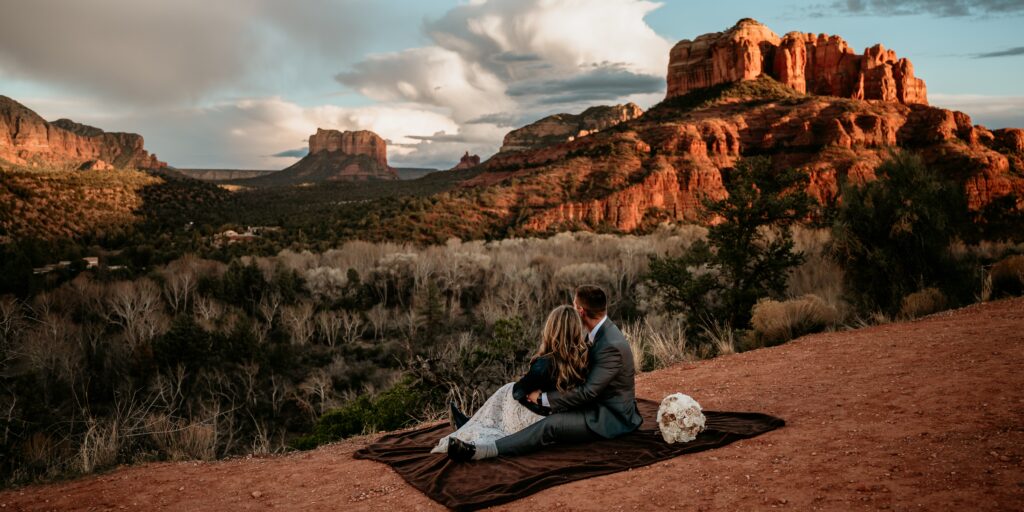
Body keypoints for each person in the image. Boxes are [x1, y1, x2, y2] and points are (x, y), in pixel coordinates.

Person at [446, 284, 643, 461]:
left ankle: (482, 451)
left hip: (608, 418)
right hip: (592, 404)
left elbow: (588, 392)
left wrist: (543, 399)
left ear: (581, 311)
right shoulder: (600, 333)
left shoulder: (610, 345)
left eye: (574, 305)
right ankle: (472, 424)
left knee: (551, 425)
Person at [431, 304, 589, 455]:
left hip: (535, 420)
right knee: (507, 390)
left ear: (551, 330)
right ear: (576, 331)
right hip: (558, 419)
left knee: (507, 389)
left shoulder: (546, 362)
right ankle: (471, 421)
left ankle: (470, 425)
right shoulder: (583, 360)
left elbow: (518, 392)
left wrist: (534, 394)